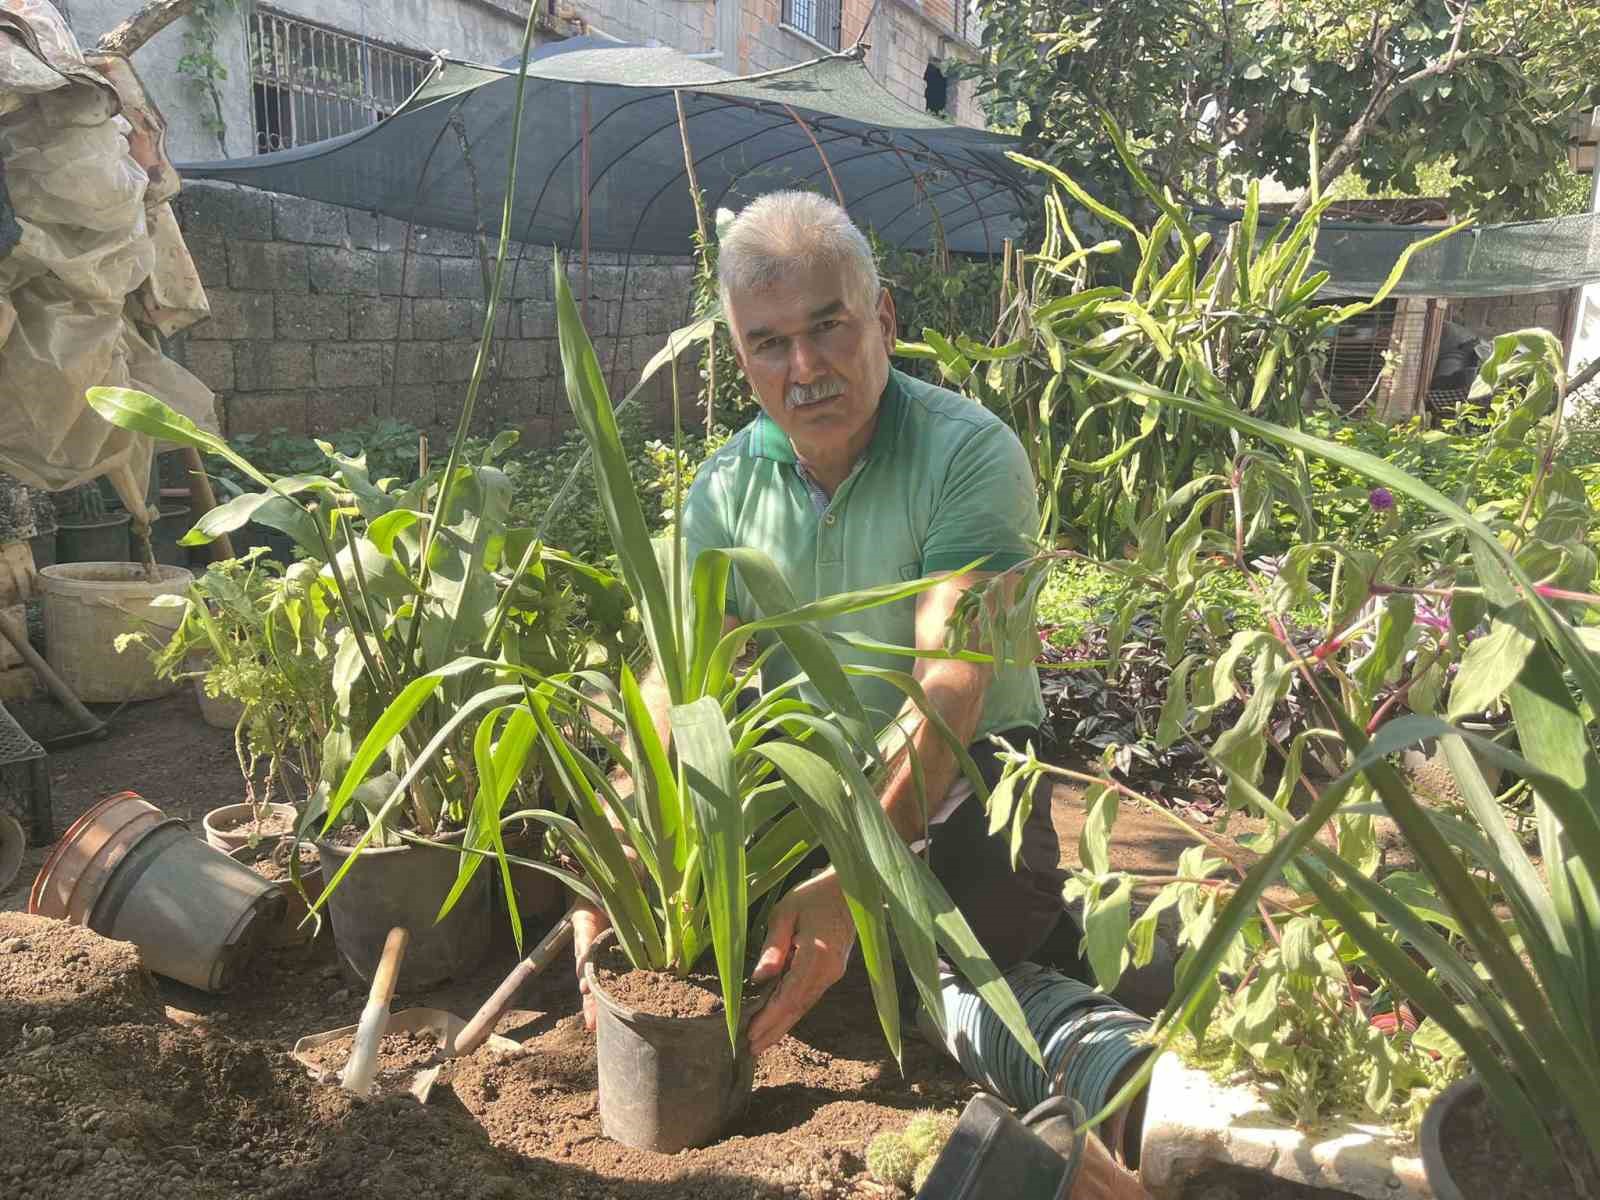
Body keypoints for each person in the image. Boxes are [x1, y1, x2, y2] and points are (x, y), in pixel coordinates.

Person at [571, 190, 1116, 1057]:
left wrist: (859, 880)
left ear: (883, 318)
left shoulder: (967, 453)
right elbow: (680, 673)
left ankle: (1053, 950)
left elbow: (952, 682)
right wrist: (626, 843)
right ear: (740, 355)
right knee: (736, 934)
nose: (804, 367)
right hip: (812, 777)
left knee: (971, 951)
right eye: (770, 342)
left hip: (963, 771)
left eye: (828, 327)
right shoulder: (723, 489)